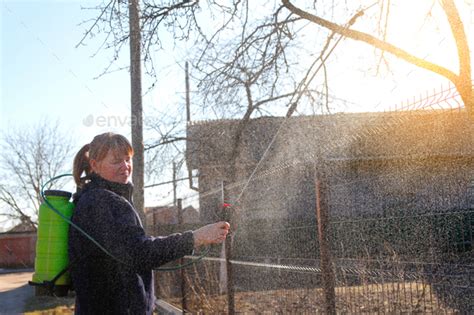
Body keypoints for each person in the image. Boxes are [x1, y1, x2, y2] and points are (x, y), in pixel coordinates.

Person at [68, 132, 230, 314]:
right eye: (116, 161)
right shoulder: (101, 202)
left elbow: (130, 250)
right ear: (95, 165)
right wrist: (195, 238)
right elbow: (139, 253)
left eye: (127, 159)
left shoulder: (96, 199)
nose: (125, 167)